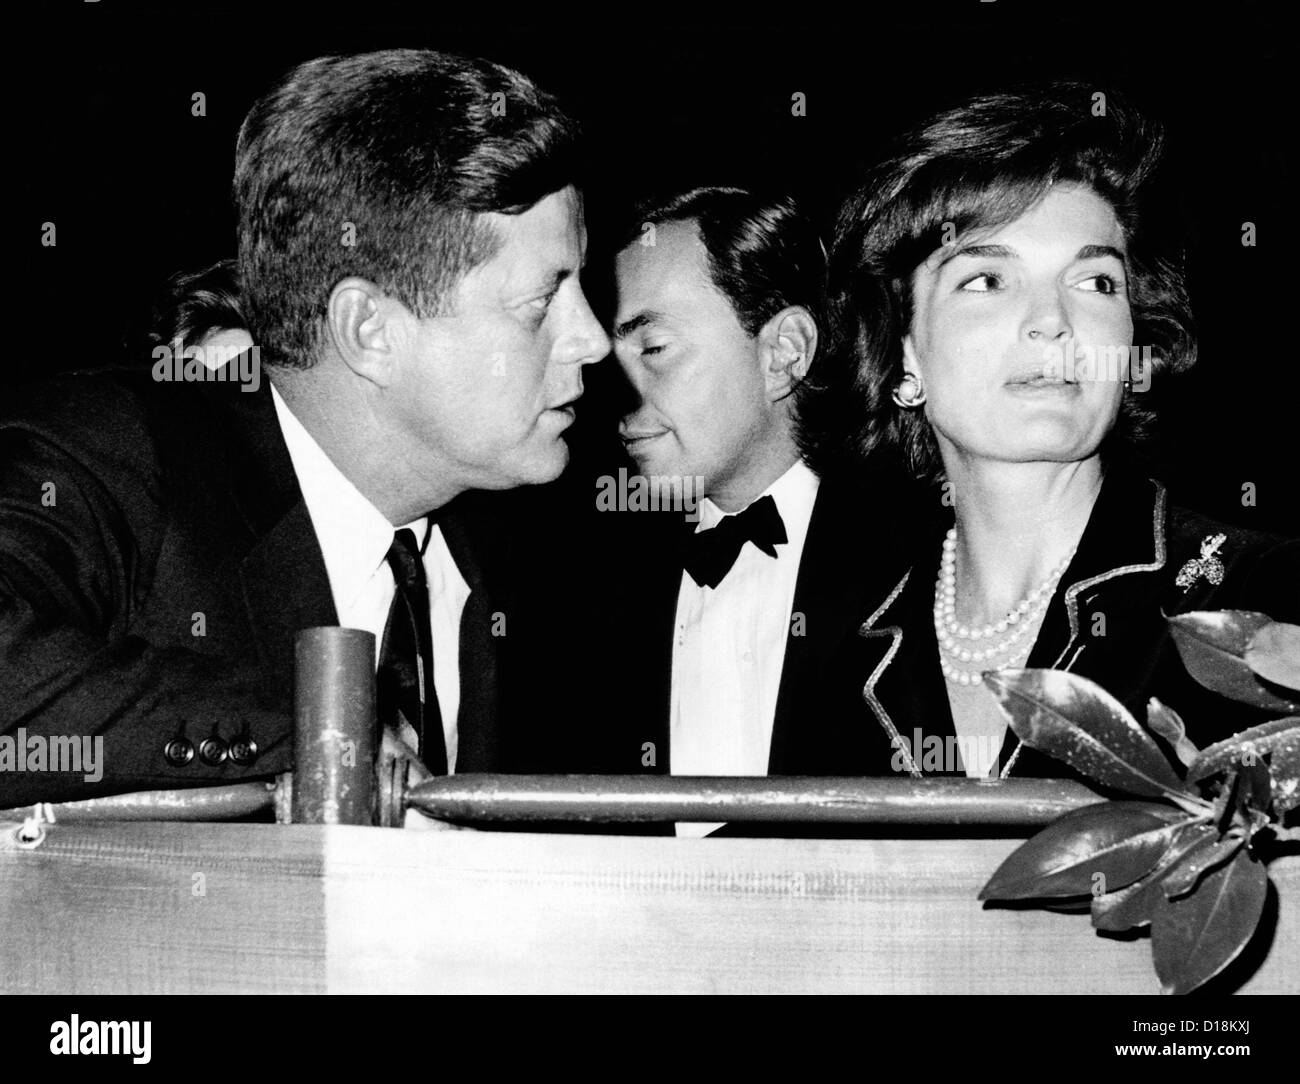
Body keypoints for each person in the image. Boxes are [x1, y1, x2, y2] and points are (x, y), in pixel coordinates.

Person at [0, 49, 608, 807]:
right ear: (369, 330)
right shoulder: (110, 458)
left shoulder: (536, 555)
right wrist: (326, 733)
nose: (593, 339)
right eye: (541, 302)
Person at [800, 83, 1298, 782]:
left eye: (1094, 282)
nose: (1053, 321)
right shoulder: (837, 649)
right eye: (986, 280)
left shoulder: (1261, 594)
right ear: (903, 354)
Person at [602, 186, 918, 835]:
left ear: (784, 353)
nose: (616, 392)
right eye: (610, 357)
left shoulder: (924, 561)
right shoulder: (575, 584)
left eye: (654, 349)